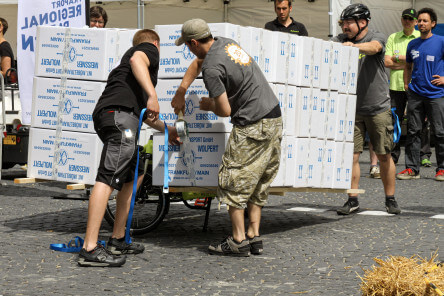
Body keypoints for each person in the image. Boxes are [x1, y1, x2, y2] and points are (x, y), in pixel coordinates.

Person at [171, 19, 282, 257]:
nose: (188, 50)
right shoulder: (226, 44)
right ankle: (253, 236)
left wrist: (209, 104)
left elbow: (225, 110)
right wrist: (181, 90)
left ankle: (238, 240)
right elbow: (199, 62)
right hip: (273, 117)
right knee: (257, 180)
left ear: (193, 42)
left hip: (252, 123)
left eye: (187, 46)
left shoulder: (212, 68)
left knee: (233, 177)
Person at [77, 29, 179, 267]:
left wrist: (169, 130)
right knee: (108, 176)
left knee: (136, 171)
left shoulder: (132, 77)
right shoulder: (146, 51)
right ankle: (89, 248)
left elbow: (146, 115)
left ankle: (118, 238)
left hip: (117, 117)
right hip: (119, 119)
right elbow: (137, 60)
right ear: (155, 43)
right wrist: (153, 94)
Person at [333, 4, 400, 215]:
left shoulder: (376, 36)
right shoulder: (341, 40)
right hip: (352, 109)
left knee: (383, 155)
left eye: (349, 23)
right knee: (352, 156)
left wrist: (353, 48)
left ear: (363, 22)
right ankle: (352, 199)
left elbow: (375, 48)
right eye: (343, 23)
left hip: (378, 107)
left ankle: (390, 199)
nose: (345, 27)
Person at [397, 7, 444, 182]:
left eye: (425, 21)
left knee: (440, 133)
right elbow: (408, 66)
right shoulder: (413, 44)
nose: (421, 23)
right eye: (419, 20)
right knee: (413, 132)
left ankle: (442, 169)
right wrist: (406, 84)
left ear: (433, 24)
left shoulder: (441, 41)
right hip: (416, 94)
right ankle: (412, 169)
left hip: (436, 94)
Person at [384, 9, 434, 167]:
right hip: (396, 87)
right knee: (395, 122)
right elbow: (386, 62)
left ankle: (424, 154)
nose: (408, 21)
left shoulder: (421, 37)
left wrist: (397, 58)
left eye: (411, 19)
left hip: (417, 86)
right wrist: (409, 63)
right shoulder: (393, 37)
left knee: (420, 122)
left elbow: (421, 61)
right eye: (405, 18)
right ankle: (394, 154)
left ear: (415, 22)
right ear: (401, 19)